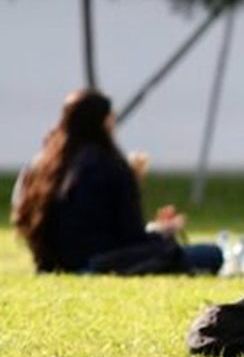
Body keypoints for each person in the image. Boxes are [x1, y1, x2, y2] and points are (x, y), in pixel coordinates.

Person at [11, 89, 225, 274]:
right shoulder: (110, 165)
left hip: (55, 262)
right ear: (104, 122)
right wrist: (161, 234)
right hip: (102, 262)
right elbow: (130, 238)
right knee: (215, 253)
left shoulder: (40, 167)